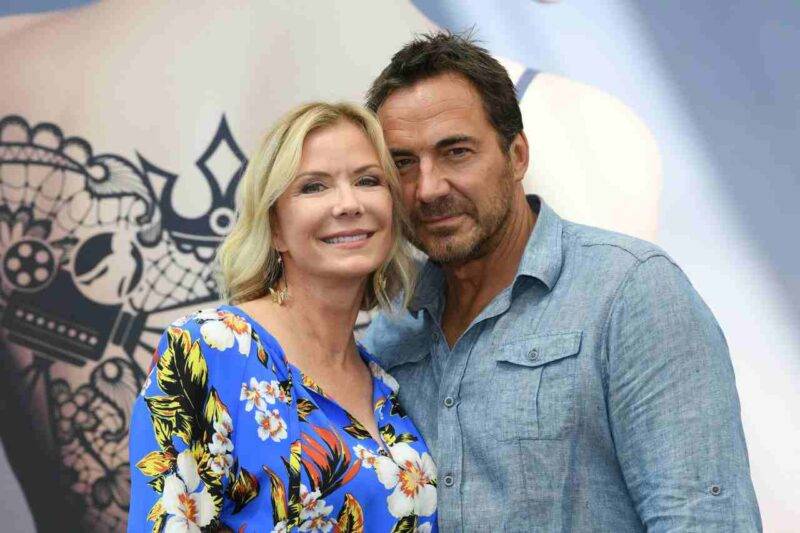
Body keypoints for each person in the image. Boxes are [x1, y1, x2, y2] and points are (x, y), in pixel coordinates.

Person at [362, 32, 762, 532]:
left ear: (517, 155)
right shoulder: (391, 334)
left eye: (457, 152)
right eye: (403, 163)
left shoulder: (630, 292)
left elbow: (703, 519)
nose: (428, 188)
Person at [128, 102, 438, 532]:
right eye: (314, 187)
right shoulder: (210, 348)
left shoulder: (386, 380)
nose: (348, 204)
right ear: (275, 227)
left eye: (367, 180)